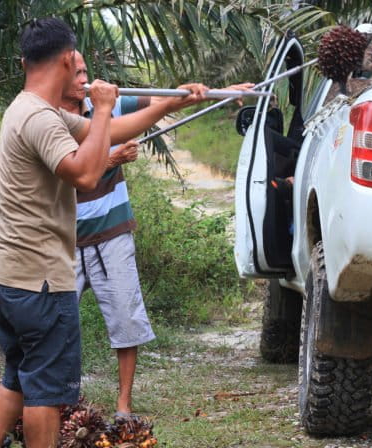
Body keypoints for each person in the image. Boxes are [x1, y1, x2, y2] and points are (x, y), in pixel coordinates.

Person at [0, 18, 208, 448]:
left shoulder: (28, 109)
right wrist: (103, 106)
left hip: (7, 274)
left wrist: (169, 105)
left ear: (25, 60)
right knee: (45, 392)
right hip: (39, 281)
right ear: (68, 59)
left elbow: (106, 135)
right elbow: (86, 174)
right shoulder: (42, 121)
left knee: (17, 376)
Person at [60, 52, 253, 417]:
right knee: (55, 321)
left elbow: (164, 99)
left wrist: (216, 92)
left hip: (112, 231)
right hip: (63, 239)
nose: (86, 78)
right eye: (77, 72)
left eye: (87, 70)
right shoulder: (49, 119)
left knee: (126, 318)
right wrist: (113, 160)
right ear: (58, 76)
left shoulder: (108, 103)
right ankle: (59, 398)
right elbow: (71, 178)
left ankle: (123, 404)